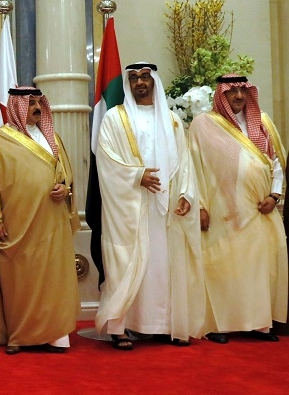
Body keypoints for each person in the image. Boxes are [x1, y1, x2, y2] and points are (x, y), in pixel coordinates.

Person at [94, 62, 203, 349]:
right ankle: (119, 327)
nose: (140, 82)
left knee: (162, 265)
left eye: (145, 77)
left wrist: (186, 194)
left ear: (154, 81)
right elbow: (106, 158)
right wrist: (137, 176)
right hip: (129, 207)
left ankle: (162, 325)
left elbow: (184, 161)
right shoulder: (115, 118)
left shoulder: (172, 120)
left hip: (163, 207)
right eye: (133, 78)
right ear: (128, 84)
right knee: (126, 263)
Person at [0, 86, 79, 355]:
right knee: (20, 282)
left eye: (38, 103)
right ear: (16, 107)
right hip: (17, 225)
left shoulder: (52, 138)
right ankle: (20, 336)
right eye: (30, 103)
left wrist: (65, 189)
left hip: (52, 223)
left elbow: (66, 175)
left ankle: (56, 335)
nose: (36, 108)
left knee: (53, 280)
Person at [189, 74, 287, 343]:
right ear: (221, 95)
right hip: (222, 211)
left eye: (243, 90)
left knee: (259, 266)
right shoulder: (204, 124)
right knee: (223, 266)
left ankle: (258, 324)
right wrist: (200, 207)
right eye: (232, 91)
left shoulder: (263, 122)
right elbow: (193, 167)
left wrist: (275, 194)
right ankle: (218, 325)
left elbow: (276, 162)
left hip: (259, 209)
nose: (239, 96)